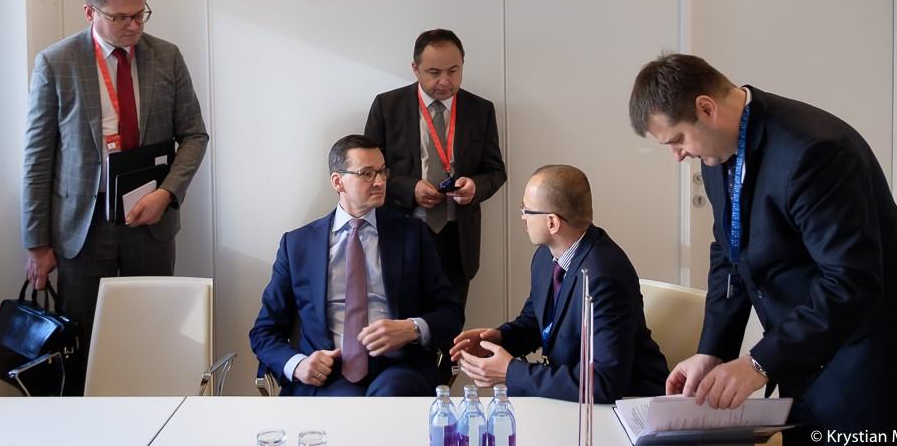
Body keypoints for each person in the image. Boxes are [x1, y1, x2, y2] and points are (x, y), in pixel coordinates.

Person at [629, 52, 897, 441]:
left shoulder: (814, 150)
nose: (678, 155)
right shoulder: (716, 150)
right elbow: (729, 251)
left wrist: (758, 364)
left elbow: (851, 281)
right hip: (804, 342)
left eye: (677, 140)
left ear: (706, 108)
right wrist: (713, 351)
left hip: (874, 347)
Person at [21, 0, 209, 393]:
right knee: (85, 345)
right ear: (91, 13)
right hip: (83, 227)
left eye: (140, 14)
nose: (133, 25)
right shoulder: (56, 62)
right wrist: (37, 243)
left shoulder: (166, 56)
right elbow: (37, 157)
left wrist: (167, 193)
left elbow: (194, 135)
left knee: (153, 335)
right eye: (120, 17)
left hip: (150, 218)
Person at [250, 134, 464, 396]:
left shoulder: (412, 235)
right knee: (345, 404)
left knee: (392, 395)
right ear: (337, 181)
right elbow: (264, 331)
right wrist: (298, 365)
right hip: (328, 372)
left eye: (382, 171)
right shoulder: (297, 245)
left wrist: (411, 328)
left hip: (399, 367)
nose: (380, 181)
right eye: (367, 173)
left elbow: (451, 313)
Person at [450, 164, 668, 403]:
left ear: (552, 222)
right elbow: (537, 320)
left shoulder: (603, 277)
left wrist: (511, 372)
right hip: (574, 396)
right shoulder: (545, 257)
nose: (522, 218)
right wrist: (498, 339)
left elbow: (604, 381)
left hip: (625, 404)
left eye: (526, 210)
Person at [364, 29, 506, 307]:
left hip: (457, 239)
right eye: (434, 72)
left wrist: (474, 188)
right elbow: (367, 172)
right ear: (415, 69)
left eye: (453, 71)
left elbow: (496, 171)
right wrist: (409, 189)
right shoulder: (387, 106)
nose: (445, 81)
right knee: (400, 321)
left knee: (450, 320)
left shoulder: (481, 110)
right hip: (402, 230)